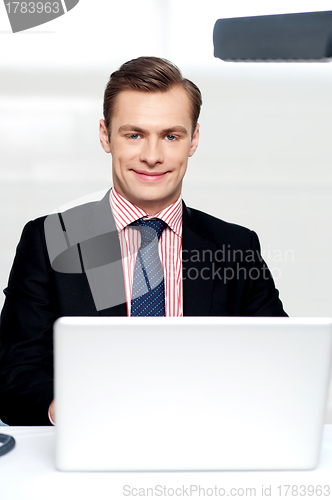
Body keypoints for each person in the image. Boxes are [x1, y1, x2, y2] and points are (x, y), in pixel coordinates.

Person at [0, 57, 287, 426]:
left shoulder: (236, 246)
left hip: (207, 442)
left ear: (193, 139)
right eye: (134, 134)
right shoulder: (49, 239)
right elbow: (15, 374)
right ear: (105, 135)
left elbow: (280, 362)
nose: (152, 157)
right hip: (89, 444)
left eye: (171, 136)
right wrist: (68, 410)